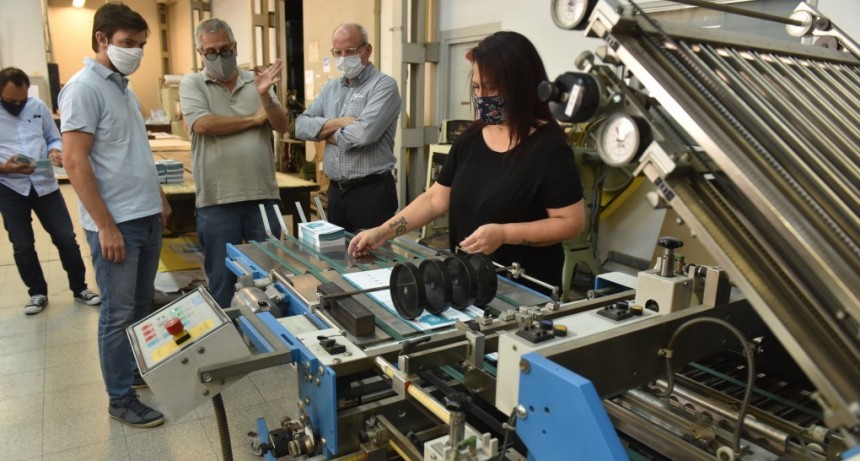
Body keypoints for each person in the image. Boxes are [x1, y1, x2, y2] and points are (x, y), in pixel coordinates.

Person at [349, 31, 585, 292]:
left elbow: (569, 223)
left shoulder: (548, 147)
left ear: (522, 84)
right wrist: (383, 231)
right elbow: (435, 199)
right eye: (476, 87)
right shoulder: (470, 139)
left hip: (524, 291)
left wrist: (505, 234)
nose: (482, 96)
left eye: (492, 88)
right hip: (468, 283)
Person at [58, 2, 170, 428]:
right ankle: (119, 398)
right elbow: (75, 161)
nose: (136, 52)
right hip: (117, 223)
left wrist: (157, 193)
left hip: (144, 216)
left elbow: (130, 150)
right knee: (118, 312)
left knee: (141, 304)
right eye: (128, 44)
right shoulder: (84, 87)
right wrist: (105, 224)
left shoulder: (121, 87)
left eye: (141, 45)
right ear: (101, 39)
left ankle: (134, 372)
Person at [179, 18, 289, 309]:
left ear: (235, 47)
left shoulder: (256, 82)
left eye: (224, 49)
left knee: (268, 277)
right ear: (200, 52)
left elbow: (281, 125)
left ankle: (271, 340)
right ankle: (231, 342)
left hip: (263, 197)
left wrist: (265, 97)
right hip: (217, 200)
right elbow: (203, 124)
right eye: (210, 52)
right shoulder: (192, 83)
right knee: (222, 279)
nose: (218, 56)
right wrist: (253, 119)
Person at [0, 67, 100, 315]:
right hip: (10, 187)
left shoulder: (37, 107)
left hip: (45, 184)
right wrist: (6, 167)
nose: (18, 105)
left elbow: (53, 137)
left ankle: (80, 288)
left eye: (21, 100)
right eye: (11, 101)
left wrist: (54, 152)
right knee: (22, 244)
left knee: (66, 238)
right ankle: (37, 292)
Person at [295, 23, 400, 233]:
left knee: (373, 261)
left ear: (367, 50)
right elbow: (300, 126)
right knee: (337, 259)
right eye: (337, 52)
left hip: (371, 193)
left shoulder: (383, 86)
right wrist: (339, 122)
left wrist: (322, 133)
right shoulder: (330, 88)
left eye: (350, 51)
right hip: (335, 192)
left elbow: (362, 135)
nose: (343, 58)